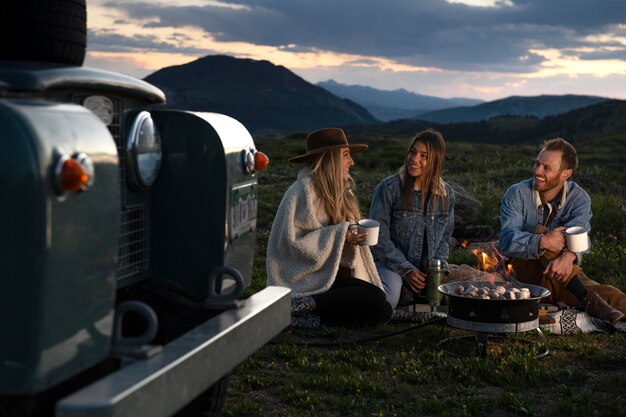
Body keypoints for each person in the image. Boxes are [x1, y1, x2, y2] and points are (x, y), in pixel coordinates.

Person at [266, 127, 392, 328]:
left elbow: (340, 235)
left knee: (383, 308)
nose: (352, 162)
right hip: (304, 279)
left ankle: (307, 318)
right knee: (375, 301)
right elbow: (292, 245)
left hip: (331, 276)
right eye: (346, 155)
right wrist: (342, 234)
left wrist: (350, 234)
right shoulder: (300, 193)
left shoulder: (344, 193)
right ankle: (297, 305)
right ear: (330, 158)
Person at [499, 137, 625, 323]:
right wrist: (543, 241)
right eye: (537, 164)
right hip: (524, 278)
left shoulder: (579, 198)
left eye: (546, 168)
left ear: (566, 173)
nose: (537, 171)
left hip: (563, 276)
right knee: (539, 231)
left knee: (615, 298)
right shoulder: (517, 193)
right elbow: (506, 241)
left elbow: (581, 237)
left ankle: (588, 299)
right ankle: (584, 297)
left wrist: (569, 256)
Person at [368, 129, 455, 309]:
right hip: (391, 264)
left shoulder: (447, 195)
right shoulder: (389, 188)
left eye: (424, 155)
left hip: (424, 269)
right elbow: (379, 238)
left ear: (435, 160)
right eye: (412, 152)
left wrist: (437, 270)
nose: (414, 159)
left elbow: (444, 239)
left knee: (450, 300)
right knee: (388, 300)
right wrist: (406, 269)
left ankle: (412, 298)